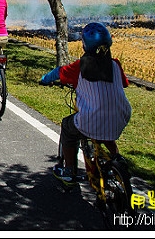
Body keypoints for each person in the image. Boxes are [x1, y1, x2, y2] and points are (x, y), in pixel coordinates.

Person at [39, 22, 132, 186]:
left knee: (68, 127)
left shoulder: (79, 67)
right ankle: (117, 157)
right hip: (121, 116)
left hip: (92, 118)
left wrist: (44, 80)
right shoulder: (115, 64)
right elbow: (124, 83)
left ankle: (68, 171)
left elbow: (57, 73)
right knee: (105, 130)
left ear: (85, 45)